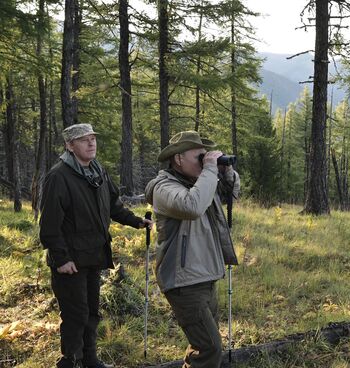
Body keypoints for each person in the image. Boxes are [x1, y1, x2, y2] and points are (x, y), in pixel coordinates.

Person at [39, 123, 153, 368]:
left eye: (93, 138)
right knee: (75, 315)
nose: (91, 143)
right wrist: (61, 259)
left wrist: (136, 222)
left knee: (91, 312)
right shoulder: (58, 176)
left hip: (95, 255)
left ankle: (90, 359)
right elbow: (48, 226)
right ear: (70, 146)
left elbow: (113, 206)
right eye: (83, 140)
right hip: (70, 262)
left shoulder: (98, 171)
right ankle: (70, 361)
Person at [145, 131, 239, 368]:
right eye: (199, 157)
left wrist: (225, 173)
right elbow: (192, 206)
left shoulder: (198, 183)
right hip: (184, 281)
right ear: (178, 159)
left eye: (206, 157)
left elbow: (231, 195)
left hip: (206, 274)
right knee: (210, 347)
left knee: (202, 344)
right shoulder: (163, 188)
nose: (205, 161)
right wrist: (209, 170)